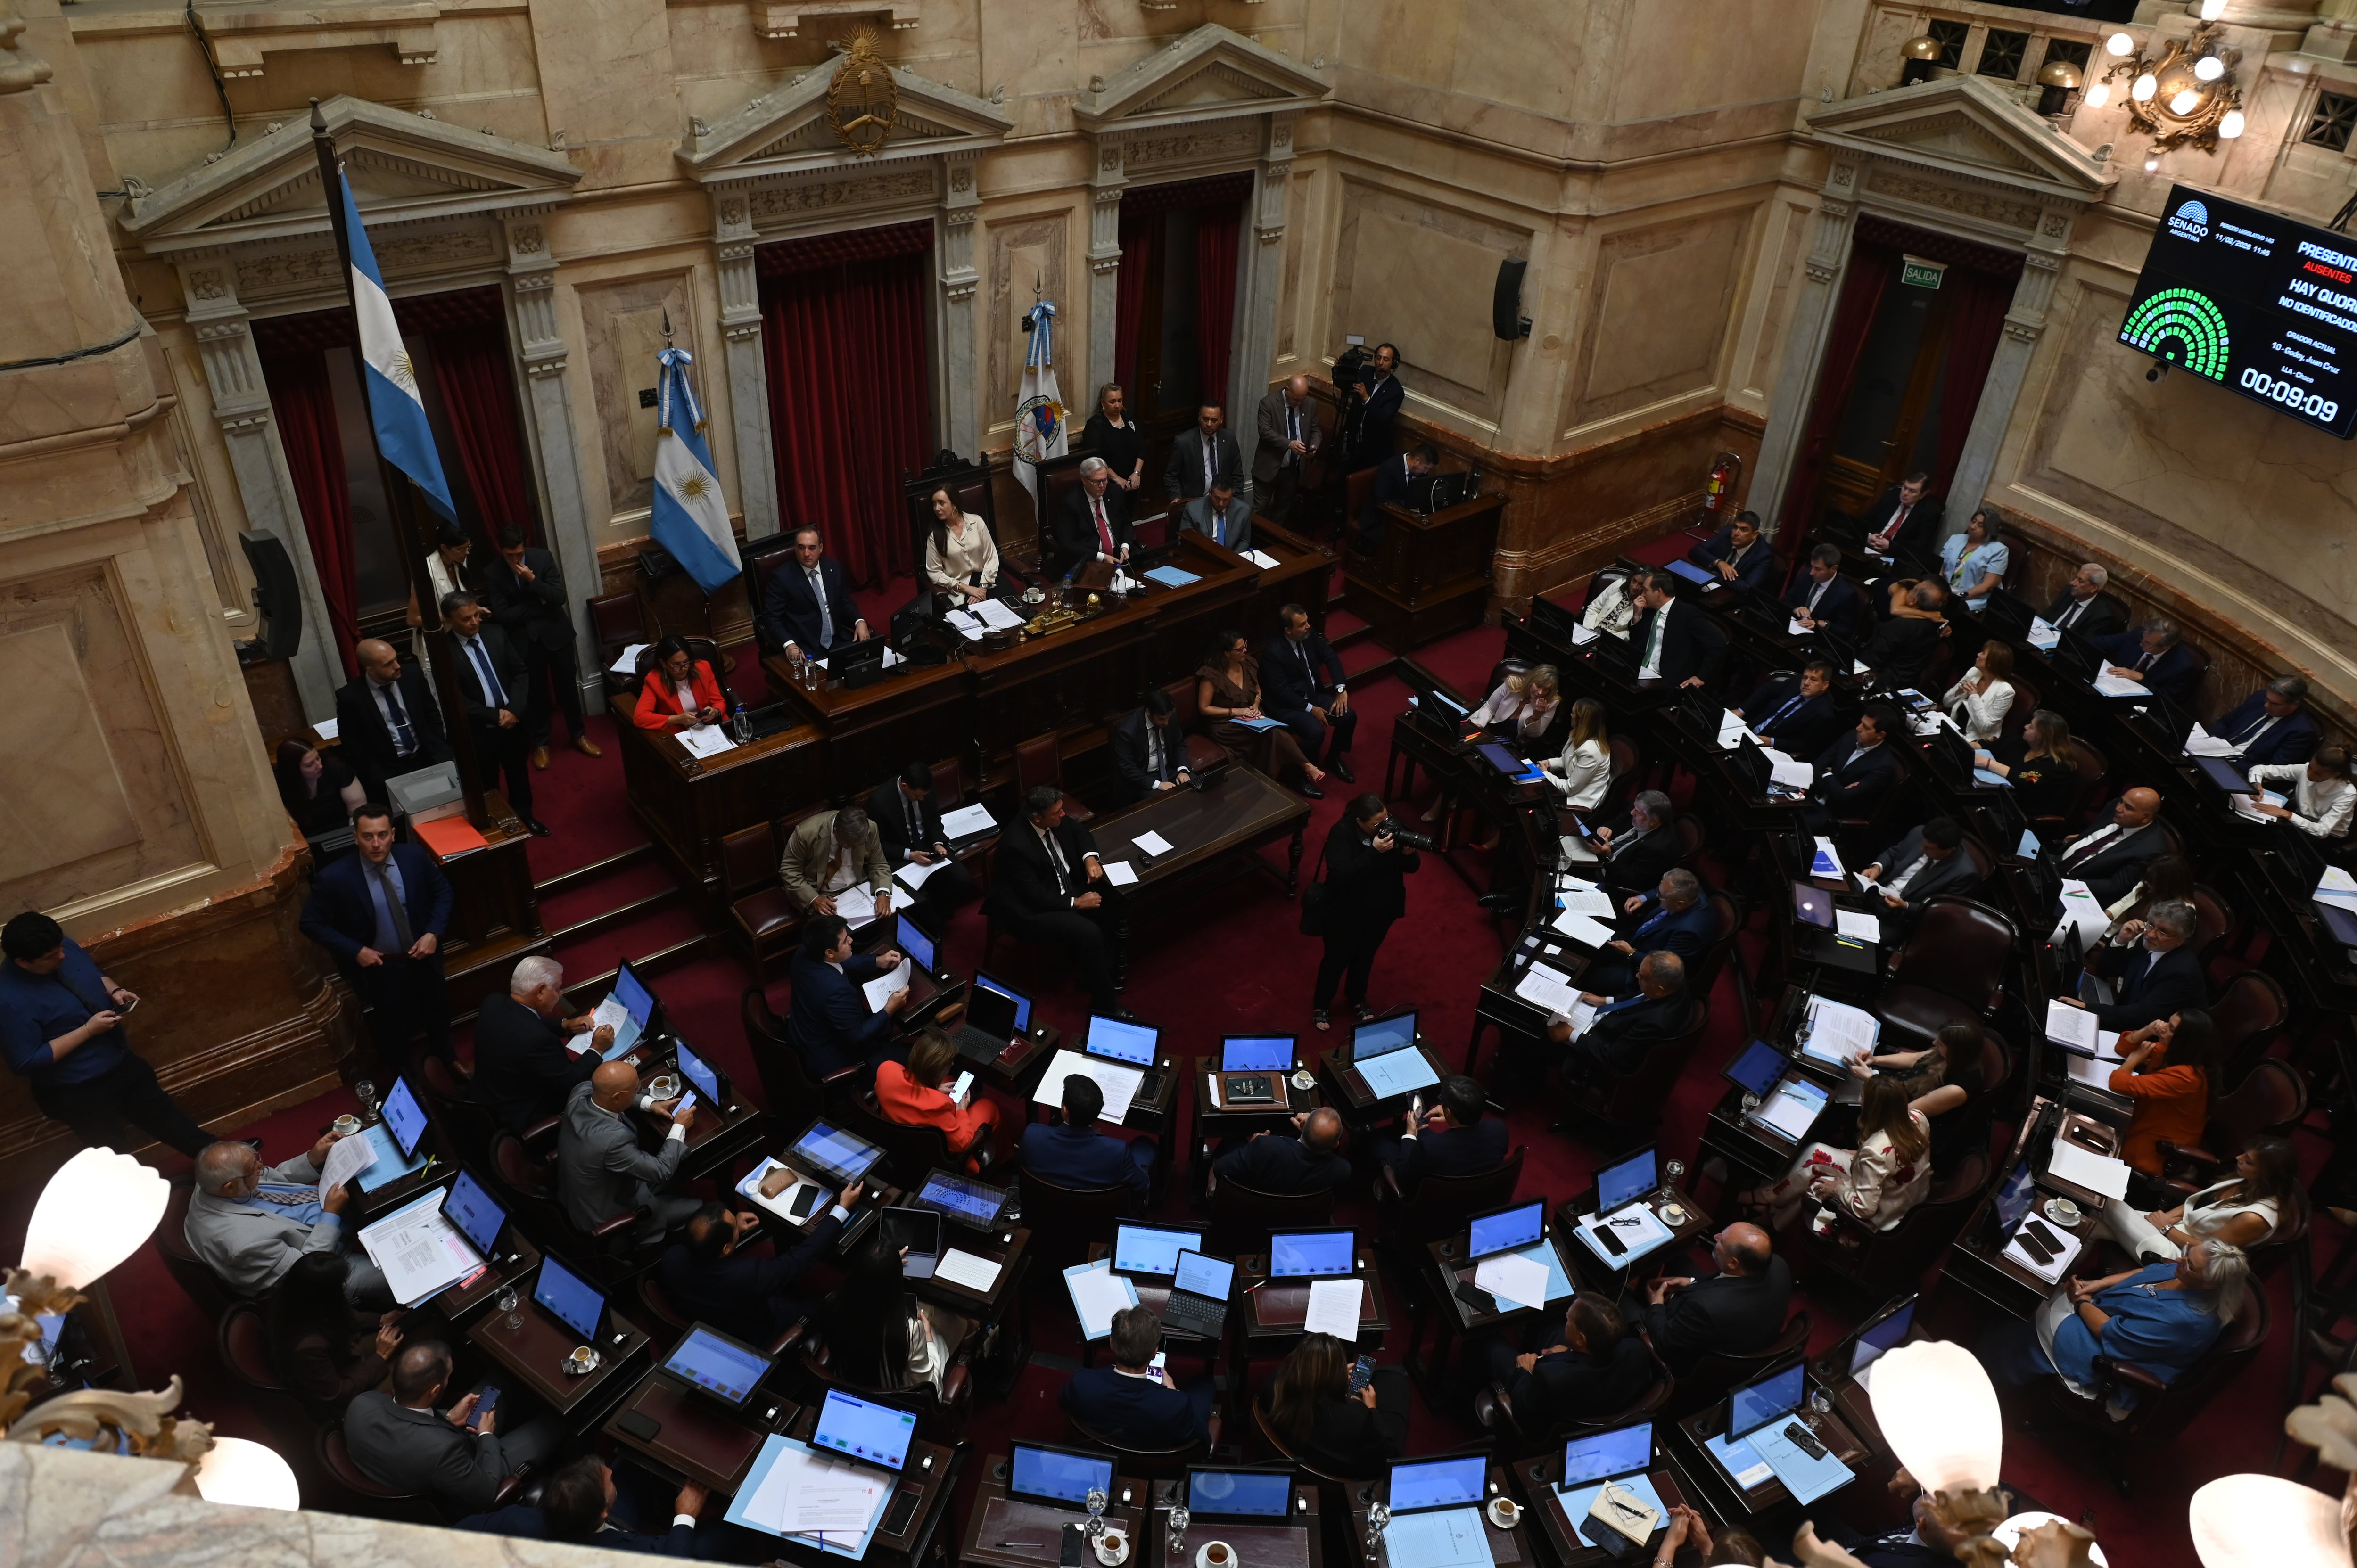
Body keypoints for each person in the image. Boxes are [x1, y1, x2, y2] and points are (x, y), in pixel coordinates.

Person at [0, 912, 210, 1158]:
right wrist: (88, 1031)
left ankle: (226, 1161)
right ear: (23, 962)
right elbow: (26, 1061)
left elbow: (92, 974)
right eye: (51, 957)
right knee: (111, 1155)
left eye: (60, 948)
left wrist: (115, 990)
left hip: (119, 1060)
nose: (62, 956)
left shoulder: (60, 947)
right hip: (78, 1091)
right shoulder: (8, 1000)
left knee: (166, 1116)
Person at [1985, 1239, 2248, 1407]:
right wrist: (2096, 1285)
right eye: (2187, 1253)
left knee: (2030, 1330)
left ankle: (1989, 1381)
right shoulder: (2187, 1273)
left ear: (2210, 1283)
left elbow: (2110, 1333)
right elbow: (2146, 1273)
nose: (2180, 1261)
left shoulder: (2187, 1321)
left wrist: (2082, 1302)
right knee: (2040, 1295)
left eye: (2190, 1264)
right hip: (2101, 1312)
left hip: (2106, 1354)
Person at [299, 803, 455, 1071]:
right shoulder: (335, 878)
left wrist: (433, 932)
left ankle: (448, 1060)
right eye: (368, 836)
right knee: (394, 1033)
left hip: (424, 956)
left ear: (393, 834)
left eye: (382, 835)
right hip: (382, 968)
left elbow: (444, 893)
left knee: (438, 1015)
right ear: (355, 838)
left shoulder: (414, 857)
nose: (376, 844)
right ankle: (408, 1082)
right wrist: (355, 950)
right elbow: (310, 922)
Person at [344, 1340, 566, 1517]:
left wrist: (449, 1418)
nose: (450, 1379)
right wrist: (486, 1434)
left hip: (422, 1459)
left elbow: (408, 1424)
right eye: (449, 1376)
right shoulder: (443, 1450)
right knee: (555, 1422)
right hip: (474, 1475)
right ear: (435, 1391)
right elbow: (486, 1493)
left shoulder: (361, 1404)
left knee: (499, 1380)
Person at [185, 1135, 393, 1305]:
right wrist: (331, 1214)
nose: (262, 1167)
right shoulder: (244, 1244)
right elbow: (308, 1271)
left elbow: (270, 1178)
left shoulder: (211, 1183)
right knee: (395, 1271)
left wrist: (312, 1159)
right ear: (230, 1187)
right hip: (321, 1272)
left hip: (329, 1212)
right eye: (255, 1168)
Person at [986, 786, 1131, 1018]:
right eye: (1057, 813)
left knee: (1113, 904)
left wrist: (1090, 859)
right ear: (1037, 817)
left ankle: (1091, 975)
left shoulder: (1053, 820)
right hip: (1032, 911)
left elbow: (1080, 831)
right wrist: (1076, 903)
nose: (1063, 815)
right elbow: (1033, 895)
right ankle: (1105, 1005)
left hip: (1062, 887)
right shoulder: (1016, 845)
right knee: (1090, 932)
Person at [659, 1184, 858, 1346]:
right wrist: (840, 1211)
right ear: (726, 1249)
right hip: (749, 1335)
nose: (737, 1225)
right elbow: (799, 1260)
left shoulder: (672, 1258)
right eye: (735, 1229)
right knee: (828, 1302)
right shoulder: (746, 1275)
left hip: (706, 1318)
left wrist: (734, 1229)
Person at [1744, 1074, 1931, 1232]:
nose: (1861, 1101)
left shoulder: (1875, 1152)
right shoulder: (1918, 1117)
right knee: (1816, 1153)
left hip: (1887, 1211)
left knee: (1818, 1184)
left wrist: (1838, 1188)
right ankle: (1768, 1199)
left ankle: (1770, 1215)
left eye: (1863, 1097)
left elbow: (1864, 1209)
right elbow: (1892, 1155)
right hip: (1905, 1193)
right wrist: (1860, 1155)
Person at [481, 523, 597, 768]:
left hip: (557, 635)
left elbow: (559, 598)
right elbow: (501, 615)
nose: (515, 559)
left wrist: (533, 580)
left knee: (568, 687)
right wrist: (538, 604)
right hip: (525, 642)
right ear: (501, 550)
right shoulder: (493, 573)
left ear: (525, 547)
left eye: (519, 554)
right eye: (510, 555)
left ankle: (578, 735)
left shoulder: (542, 558)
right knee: (536, 694)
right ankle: (542, 743)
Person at [1308, 794, 1419, 1030]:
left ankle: (1356, 998)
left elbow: (1411, 867)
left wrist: (1410, 854)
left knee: (1365, 956)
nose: (1386, 825)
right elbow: (1340, 875)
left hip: (1381, 910)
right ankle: (1322, 1005)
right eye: (1378, 824)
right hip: (1346, 912)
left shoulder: (1391, 825)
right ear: (1360, 821)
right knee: (1336, 959)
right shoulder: (1341, 833)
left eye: (1387, 818)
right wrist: (1374, 852)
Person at [557, 1060, 699, 1243]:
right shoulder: (612, 1141)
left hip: (591, 1189)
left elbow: (606, 1094)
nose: (640, 1090)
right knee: (698, 1206)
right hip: (605, 1213)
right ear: (617, 1098)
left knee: (680, 1170)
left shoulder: (581, 1092)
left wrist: (651, 1104)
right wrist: (679, 1126)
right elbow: (661, 1171)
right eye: (636, 1090)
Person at [2102, 1136, 2299, 1263]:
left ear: (2268, 1174)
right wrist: (2167, 1218)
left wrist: (2165, 1228)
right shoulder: (2247, 1180)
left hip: (2178, 1256)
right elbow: (2199, 1203)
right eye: (2244, 1154)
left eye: (2248, 1161)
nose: (2238, 1159)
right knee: (2092, 1224)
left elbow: (2210, 1253)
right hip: (2173, 1230)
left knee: (2103, 1200)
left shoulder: (2256, 1218)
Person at [462, 1454, 706, 1557]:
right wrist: (685, 1516)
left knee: (630, 1461)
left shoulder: (514, 1520)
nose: (610, 1472)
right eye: (609, 1480)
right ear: (603, 1513)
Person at [442, 591, 543, 834]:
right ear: (449, 620)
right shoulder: (443, 652)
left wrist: (514, 710)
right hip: (480, 730)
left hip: (513, 722)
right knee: (487, 782)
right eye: (467, 619)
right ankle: (497, 826)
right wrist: (494, 716)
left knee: (518, 773)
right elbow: (453, 698)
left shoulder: (495, 633)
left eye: (477, 615)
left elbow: (520, 672)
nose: (475, 622)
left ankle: (525, 817)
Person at [1480, 1291, 1653, 1431]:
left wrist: (1524, 1370)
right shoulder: (1636, 1350)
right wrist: (1571, 1353)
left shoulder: (1550, 1378)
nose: (1566, 1316)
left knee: (1493, 1347)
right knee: (1550, 1325)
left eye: (1569, 1319)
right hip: (1600, 1398)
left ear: (1580, 1339)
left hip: (1557, 1422)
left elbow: (1524, 1413)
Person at [1635, 1222, 1793, 1374]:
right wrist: (1692, 1283)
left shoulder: (1705, 1308)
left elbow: (1665, 1344)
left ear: (1733, 1263)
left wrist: (1656, 1305)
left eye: (1722, 1241)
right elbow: (1727, 1279)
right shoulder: (1778, 1265)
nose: (1716, 1236)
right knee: (1680, 1260)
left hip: (1696, 1356)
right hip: (1745, 1324)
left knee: (1625, 1308)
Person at [474, 956, 608, 1135]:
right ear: (539, 992)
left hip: (488, 1094)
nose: (560, 994)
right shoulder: (538, 1041)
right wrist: (596, 1049)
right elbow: (570, 1083)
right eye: (557, 989)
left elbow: (521, 1023)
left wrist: (564, 1025)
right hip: (523, 1114)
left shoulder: (493, 1002)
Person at [819, 1232, 966, 1395]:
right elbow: (930, 1388)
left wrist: (882, 1264)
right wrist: (929, 1339)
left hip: (852, 1381)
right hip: (898, 1398)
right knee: (955, 1324)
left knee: (929, 1311)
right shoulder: (909, 1331)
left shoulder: (832, 1304)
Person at [1059, 1304, 1215, 1447]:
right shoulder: (1176, 1405)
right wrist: (1174, 1394)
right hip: (1154, 1466)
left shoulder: (1082, 1383)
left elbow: (1064, 1400)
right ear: (1155, 1353)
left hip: (1099, 1455)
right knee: (1205, 1384)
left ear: (1112, 1343)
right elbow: (1201, 1439)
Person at [271, 1253, 404, 1417]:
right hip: (341, 1387)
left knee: (403, 1333)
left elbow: (337, 1312)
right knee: (410, 1369)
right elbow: (338, 1395)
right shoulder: (308, 1348)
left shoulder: (293, 1292)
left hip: (340, 1353)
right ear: (329, 1295)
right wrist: (380, 1357)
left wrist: (380, 1320)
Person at [1199, 628, 1327, 797]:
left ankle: (1292, 774)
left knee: (1273, 732)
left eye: (1245, 645)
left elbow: (1258, 690)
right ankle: (1306, 768)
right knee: (1274, 734)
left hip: (1251, 716)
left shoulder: (1248, 663)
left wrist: (1255, 705)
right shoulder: (1211, 676)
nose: (1245, 650)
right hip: (1225, 725)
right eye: (1239, 649)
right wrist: (1236, 711)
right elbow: (1204, 709)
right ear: (1227, 654)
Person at [2100, 1009, 2226, 1177]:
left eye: (2172, 1029)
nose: (2163, 1028)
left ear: (2185, 1041)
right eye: (2168, 1022)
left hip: (2154, 1149)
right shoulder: (2179, 1054)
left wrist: (2133, 1060)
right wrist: (2148, 1030)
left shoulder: (2187, 1077)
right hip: (2139, 1118)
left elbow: (2118, 1083)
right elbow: (2122, 1048)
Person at [1262, 1330, 1408, 1475]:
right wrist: (1372, 1409)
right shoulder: (1358, 1418)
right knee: (1397, 1383)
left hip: (1307, 1448)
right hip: (1343, 1473)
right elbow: (1391, 1458)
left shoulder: (1275, 1384)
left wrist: (1330, 1372)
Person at [786, 915, 909, 1079]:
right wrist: (889, 1009)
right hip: (834, 1059)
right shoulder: (836, 992)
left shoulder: (805, 953)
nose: (851, 941)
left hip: (805, 1036)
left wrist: (878, 961)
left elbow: (839, 963)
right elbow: (857, 1037)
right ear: (829, 952)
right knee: (914, 1055)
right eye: (844, 941)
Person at [334, 636, 453, 800]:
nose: (397, 666)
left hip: (429, 757)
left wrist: (440, 745)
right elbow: (352, 743)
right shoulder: (351, 697)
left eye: (395, 659)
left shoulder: (413, 675)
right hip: (390, 771)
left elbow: (432, 712)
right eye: (388, 664)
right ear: (370, 670)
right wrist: (376, 774)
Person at [2062, 898, 2206, 1034]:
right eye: (2151, 924)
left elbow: (2143, 1016)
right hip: (2125, 1012)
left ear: (2182, 940)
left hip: (2149, 1036)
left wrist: (2087, 1008)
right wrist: (2121, 940)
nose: (2150, 934)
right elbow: (2108, 969)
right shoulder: (2147, 945)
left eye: (2163, 932)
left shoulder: (2181, 973)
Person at [876, 1026, 1001, 1173]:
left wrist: (934, 1088)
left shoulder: (885, 1070)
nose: (952, 1065)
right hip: (931, 1158)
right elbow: (961, 1144)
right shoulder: (938, 1105)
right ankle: (996, 1161)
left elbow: (908, 1087)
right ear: (938, 1071)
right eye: (949, 1064)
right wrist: (961, 1111)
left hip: (895, 1138)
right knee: (989, 1105)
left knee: (950, 1080)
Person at [1552, 951, 1692, 1079]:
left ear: (1660, 990)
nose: (1637, 976)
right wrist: (1603, 1001)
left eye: (1642, 976)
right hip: (1615, 1021)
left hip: (1603, 1045)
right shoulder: (1674, 982)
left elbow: (1616, 1058)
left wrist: (1571, 1034)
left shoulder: (1653, 1024)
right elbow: (1642, 997)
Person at [1021, 1071, 1155, 1201]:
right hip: (1099, 1218)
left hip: (1043, 1211)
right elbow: (1142, 1186)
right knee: (1144, 1145)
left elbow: (1022, 1165)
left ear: (1065, 1110)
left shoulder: (1033, 1135)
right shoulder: (1117, 1152)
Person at [1581, 869, 1714, 1001]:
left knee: (1591, 976)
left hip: (1642, 971)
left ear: (1679, 904)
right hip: (1638, 937)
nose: (1657, 897)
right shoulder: (1690, 890)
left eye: (1661, 897)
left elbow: (1664, 969)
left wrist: (1630, 952)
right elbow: (1661, 890)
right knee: (1587, 945)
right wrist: (1642, 898)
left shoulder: (1689, 932)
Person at [1262, 604, 1357, 783]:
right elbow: (1282, 692)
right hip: (1288, 705)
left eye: (1307, 622)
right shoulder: (1274, 653)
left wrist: (1340, 689)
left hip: (1313, 695)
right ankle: (1297, 776)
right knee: (1315, 733)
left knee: (1348, 715)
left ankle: (1334, 758)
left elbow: (1330, 656)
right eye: (1302, 624)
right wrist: (1312, 709)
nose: (1309, 626)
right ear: (1288, 631)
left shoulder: (1308, 636)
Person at [865, 763, 975, 912]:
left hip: (928, 845)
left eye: (924, 795)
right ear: (904, 786)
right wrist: (910, 855)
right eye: (918, 796)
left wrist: (938, 843)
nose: (922, 799)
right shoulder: (879, 802)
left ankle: (941, 911)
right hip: (901, 854)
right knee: (920, 899)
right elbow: (879, 845)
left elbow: (935, 818)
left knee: (963, 880)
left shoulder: (925, 787)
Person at [1374, 1073, 1506, 1190]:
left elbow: (1403, 1180)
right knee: (1408, 1130)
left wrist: (1409, 1135)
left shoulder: (1430, 1148)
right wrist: (1452, 1118)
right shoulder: (1499, 1130)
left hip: (1434, 1200)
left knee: (1377, 1140)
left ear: (1447, 1111)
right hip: (1480, 1191)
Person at [759, 525, 869, 660]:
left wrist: (859, 621)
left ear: (821, 548)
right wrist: (789, 644)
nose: (806, 553)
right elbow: (772, 618)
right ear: (796, 548)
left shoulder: (833, 568)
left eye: (812, 548)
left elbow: (845, 602)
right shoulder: (781, 578)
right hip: (805, 648)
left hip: (838, 641)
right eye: (801, 547)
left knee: (867, 666)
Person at [2052, 787, 2167, 904]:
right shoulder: (2115, 807)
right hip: (2054, 862)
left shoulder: (2150, 850)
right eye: (2121, 801)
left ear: (2146, 817)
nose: (2118, 808)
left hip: (2075, 889)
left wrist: (2069, 883)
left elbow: (2116, 886)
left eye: (2128, 808)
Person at [778, 805, 894, 919]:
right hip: (823, 894)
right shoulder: (805, 834)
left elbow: (879, 865)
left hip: (860, 889)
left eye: (858, 845)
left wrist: (883, 893)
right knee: (836, 934)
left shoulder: (870, 829)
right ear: (835, 831)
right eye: (849, 845)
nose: (854, 848)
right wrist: (814, 899)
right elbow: (789, 871)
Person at [1857, 816, 1980, 923]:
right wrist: (1877, 868)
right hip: (1876, 892)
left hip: (1900, 917)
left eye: (1929, 848)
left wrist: (1906, 906)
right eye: (1924, 843)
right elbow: (1893, 854)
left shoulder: (1965, 873)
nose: (1923, 848)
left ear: (1949, 851)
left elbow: (1943, 911)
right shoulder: (1918, 833)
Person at [1212, 1106, 1350, 1195]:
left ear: (1302, 1124)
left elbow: (1220, 1169)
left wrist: (1252, 1147)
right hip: (1297, 1219)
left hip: (1252, 1211)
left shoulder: (1266, 1147)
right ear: (1336, 1144)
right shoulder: (1342, 1170)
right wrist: (1310, 1131)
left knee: (1232, 1141)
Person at [1975, 709, 2077, 828]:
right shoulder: (2021, 743)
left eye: (2031, 727)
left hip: (2020, 814)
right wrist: (1974, 746)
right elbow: (1990, 745)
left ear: (2042, 737)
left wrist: (1988, 763)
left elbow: (2025, 779)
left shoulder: (2057, 767)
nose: (2025, 727)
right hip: (1995, 796)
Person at [1807, 706, 1903, 829]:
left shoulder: (1883, 766)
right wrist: (1834, 784)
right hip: (1814, 795)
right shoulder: (1851, 736)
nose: (1858, 728)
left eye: (1866, 727)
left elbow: (1843, 797)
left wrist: (1827, 774)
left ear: (1880, 735)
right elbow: (1817, 766)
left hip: (1834, 814)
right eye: (1861, 723)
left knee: (1792, 824)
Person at [1627, 571, 1725, 690]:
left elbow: (1718, 644)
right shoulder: (1649, 609)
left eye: (1646, 590)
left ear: (1659, 592)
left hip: (1666, 679)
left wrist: (1701, 677)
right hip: (1639, 670)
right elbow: (1636, 641)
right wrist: (1637, 616)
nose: (1642, 594)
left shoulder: (1687, 614)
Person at [1734, 662, 1843, 762]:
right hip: (1749, 730)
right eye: (1805, 677)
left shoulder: (1824, 715)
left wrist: (1773, 742)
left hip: (1769, 750)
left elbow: (1806, 745)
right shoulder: (1796, 682)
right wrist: (1742, 711)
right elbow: (1767, 689)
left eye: (1814, 680)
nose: (1806, 683)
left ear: (1825, 685)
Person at [1254, 373, 1322, 529]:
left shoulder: (1310, 404)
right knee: (1260, 511)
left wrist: (1314, 446)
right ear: (1287, 390)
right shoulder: (1268, 403)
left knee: (1282, 512)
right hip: (1269, 468)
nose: (1299, 403)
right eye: (1296, 399)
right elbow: (1265, 432)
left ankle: (1272, 546)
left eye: (1302, 399)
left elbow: (1316, 430)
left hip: (1293, 471)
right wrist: (1289, 444)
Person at [1588, 790, 1681, 902]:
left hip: (1607, 878)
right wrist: (1607, 828)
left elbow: (1630, 880)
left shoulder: (1658, 849)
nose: (1632, 813)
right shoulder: (1641, 812)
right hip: (1597, 855)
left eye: (1638, 812)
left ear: (1654, 821)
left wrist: (1608, 856)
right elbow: (1617, 821)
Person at [2211, 675, 2321, 768]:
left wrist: (2226, 763)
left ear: (2295, 705)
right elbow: (2226, 722)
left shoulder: (2301, 732)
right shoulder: (2259, 698)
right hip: (2215, 751)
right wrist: (2209, 741)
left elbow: (2274, 768)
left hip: (2239, 770)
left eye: (2275, 704)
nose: (2267, 705)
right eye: (2267, 699)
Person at [2248, 748, 2355, 841]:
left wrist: (2287, 814)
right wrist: (2256, 784)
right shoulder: (2305, 770)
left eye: (2317, 773)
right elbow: (2260, 769)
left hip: (2326, 838)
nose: (2309, 774)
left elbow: (2322, 831)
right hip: (2297, 821)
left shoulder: (2347, 793)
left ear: (2336, 774)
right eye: (2310, 768)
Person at [1109, 690, 1195, 804]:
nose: (1166, 723)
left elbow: (1179, 745)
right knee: (1164, 804)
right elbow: (1127, 768)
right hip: (1144, 777)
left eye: (1168, 718)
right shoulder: (1128, 732)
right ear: (1149, 712)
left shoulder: (1169, 717)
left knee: (1197, 786)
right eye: (1161, 719)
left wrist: (1183, 770)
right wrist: (1158, 784)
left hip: (1170, 770)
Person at [921, 482, 999, 605]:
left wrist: (983, 588)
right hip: (961, 587)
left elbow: (992, 556)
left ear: (954, 503)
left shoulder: (977, 522)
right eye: (934, 504)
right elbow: (934, 573)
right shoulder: (934, 536)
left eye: (942, 503)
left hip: (988, 578)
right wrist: (965, 588)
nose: (937, 508)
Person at [1054, 456, 1134, 571]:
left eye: (1105, 480)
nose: (1102, 486)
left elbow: (1127, 524)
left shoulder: (1115, 492)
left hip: (1119, 555)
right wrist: (1102, 557)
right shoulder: (1071, 503)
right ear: (1084, 480)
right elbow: (1067, 543)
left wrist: (1125, 546)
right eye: (1096, 481)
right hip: (1091, 560)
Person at [2094, 620, 2200, 707]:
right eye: (2143, 638)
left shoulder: (2182, 666)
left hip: (2139, 706)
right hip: (2110, 689)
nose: (2141, 644)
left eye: (2148, 643)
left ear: (2165, 646)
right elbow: (2103, 642)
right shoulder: (2138, 634)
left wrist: (2142, 678)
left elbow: (2168, 701)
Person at [1861, 582, 1945, 691]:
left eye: (1913, 590)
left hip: (1880, 683)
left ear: (1913, 601)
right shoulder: (1938, 625)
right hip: (1905, 682)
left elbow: (1872, 660)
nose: (1909, 592)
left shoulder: (1900, 626)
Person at [632, 635, 725, 734]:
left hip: (710, 727)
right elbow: (640, 718)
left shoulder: (703, 669)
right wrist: (678, 719)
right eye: (676, 665)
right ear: (663, 663)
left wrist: (715, 712)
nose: (684, 668)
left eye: (686, 662)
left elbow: (719, 701)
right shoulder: (654, 680)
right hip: (681, 732)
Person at [275, 739, 365, 837]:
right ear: (294, 770)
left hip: (345, 830)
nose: (319, 766)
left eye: (318, 758)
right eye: (310, 765)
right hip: (308, 839)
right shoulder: (278, 785)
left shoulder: (336, 768)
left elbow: (357, 811)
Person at [1357, 442, 1434, 555]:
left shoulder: (1420, 472)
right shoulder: (1389, 469)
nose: (1426, 472)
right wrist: (1408, 504)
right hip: (1379, 518)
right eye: (1426, 468)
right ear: (1417, 460)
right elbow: (1381, 502)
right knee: (1404, 542)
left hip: (1404, 517)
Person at [1164, 402, 1245, 505]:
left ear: (1221, 420)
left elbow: (1237, 474)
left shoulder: (1229, 439)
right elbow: (1171, 476)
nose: (1209, 424)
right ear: (1199, 417)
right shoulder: (1184, 443)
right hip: (1194, 502)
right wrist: (1176, 497)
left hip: (1223, 500)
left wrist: (1237, 501)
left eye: (1214, 420)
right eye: (1205, 419)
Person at [1540, 697, 1613, 810]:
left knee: (1537, 799)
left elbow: (1570, 788)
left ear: (1582, 720)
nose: (1570, 715)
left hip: (1578, 798)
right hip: (1570, 782)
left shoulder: (1591, 752)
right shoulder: (1577, 734)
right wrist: (1549, 763)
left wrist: (1545, 774)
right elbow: (1568, 760)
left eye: (1573, 713)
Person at [1854, 473, 1943, 564]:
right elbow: (1863, 520)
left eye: (1912, 491)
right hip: (1867, 547)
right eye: (1905, 488)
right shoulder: (1891, 496)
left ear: (1923, 495)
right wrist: (1868, 536)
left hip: (1894, 557)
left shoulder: (1929, 511)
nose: (1905, 493)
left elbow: (1921, 545)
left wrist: (1891, 546)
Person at [1468, 663, 1562, 749]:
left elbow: (1535, 735)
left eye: (1546, 689)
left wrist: (1536, 717)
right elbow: (1490, 708)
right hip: (1488, 724)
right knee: (1464, 742)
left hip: (1509, 739)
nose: (1540, 692)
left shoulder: (1551, 702)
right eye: (1538, 686)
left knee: (1481, 750)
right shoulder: (1513, 684)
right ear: (1531, 680)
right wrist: (1480, 724)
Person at [1943, 640, 2015, 744]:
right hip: (1953, 729)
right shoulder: (1974, 672)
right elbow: (1946, 703)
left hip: (1976, 741)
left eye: (1983, 653)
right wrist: (1960, 690)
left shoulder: (2006, 692)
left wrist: (1973, 696)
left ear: (1991, 663)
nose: (1978, 654)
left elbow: (1985, 727)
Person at [1937, 509, 2009, 613]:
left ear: (1990, 530)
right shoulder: (1956, 539)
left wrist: (1958, 597)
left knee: (1948, 609)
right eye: (1973, 521)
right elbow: (1941, 566)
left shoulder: (1998, 550)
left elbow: (1988, 586)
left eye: (1980, 526)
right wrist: (1939, 588)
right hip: (1945, 591)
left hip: (1972, 599)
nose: (1973, 527)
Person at [1346, 342, 1405, 468]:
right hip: (1353, 442)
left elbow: (1384, 418)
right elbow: (1345, 385)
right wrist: (1341, 367)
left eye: (1386, 360)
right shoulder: (1365, 372)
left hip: (1373, 450)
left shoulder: (1396, 391)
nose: (1381, 363)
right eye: (1379, 358)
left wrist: (1367, 398)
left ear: (1393, 364)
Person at [1785, 544, 1863, 638]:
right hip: (1791, 629)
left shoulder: (1846, 595)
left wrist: (1823, 624)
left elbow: (1845, 631)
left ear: (1834, 569)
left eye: (1818, 569)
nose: (1812, 572)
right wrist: (1795, 609)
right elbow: (1786, 600)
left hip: (1816, 638)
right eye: (1812, 566)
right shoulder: (1806, 575)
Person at [1688, 510, 1776, 594]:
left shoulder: (1764, 555)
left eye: (1744, 530)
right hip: (1717, 586)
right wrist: (1719, 563)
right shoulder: (1727, 533)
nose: (1736, 533)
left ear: (1755, 535)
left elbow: (1747, 588)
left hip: (1736, 597)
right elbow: (1695, 551)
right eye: (1735, 527)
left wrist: (1714, 575)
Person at [1081, 383, 1146, 496]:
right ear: (1103, 403)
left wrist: (1137, 473)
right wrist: (1117, 479)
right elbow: (1097, 458)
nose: (1117, 405)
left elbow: (1142, 447)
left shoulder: (1128, 417)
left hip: (1133, 480)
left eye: (1120, 401)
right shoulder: (1096, 425)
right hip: (1108, 483)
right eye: (1112, 402)